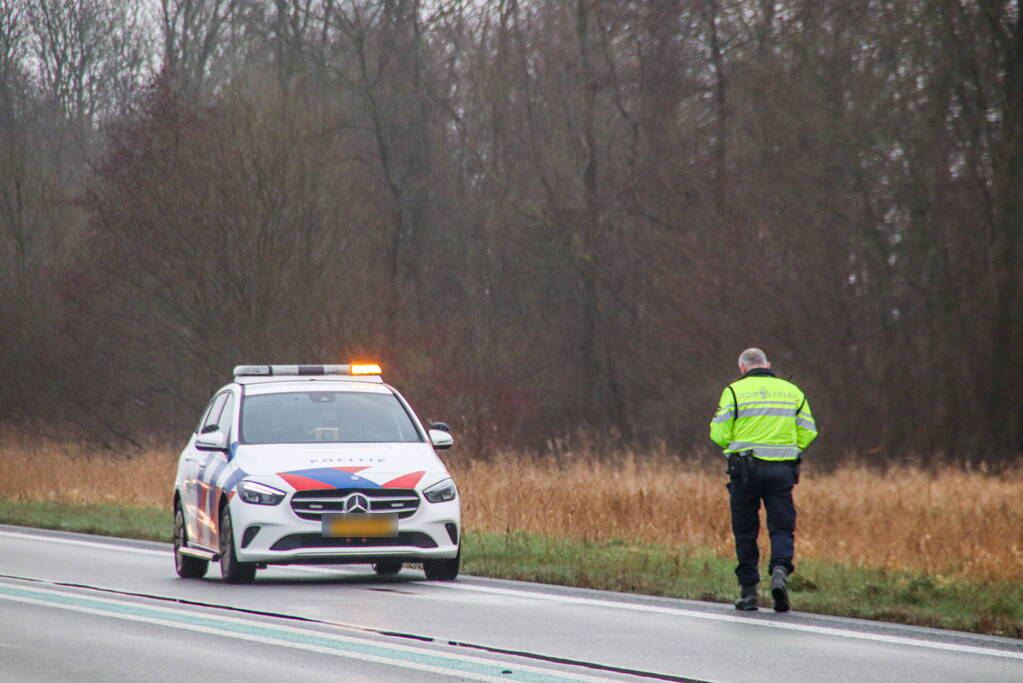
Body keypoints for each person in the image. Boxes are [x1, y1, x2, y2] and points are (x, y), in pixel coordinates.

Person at [709, 347, 817, 612]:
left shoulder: (734, 391)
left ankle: (748, 593)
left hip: (745, 470)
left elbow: (718, 433)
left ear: (742, 368)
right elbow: (808, 431)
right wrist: (788, 450)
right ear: (768, 364)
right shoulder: (793, 392)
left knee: (746, 530)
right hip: (782, 471)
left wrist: (737, 443)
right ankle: (780, 570)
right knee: (781, 526)